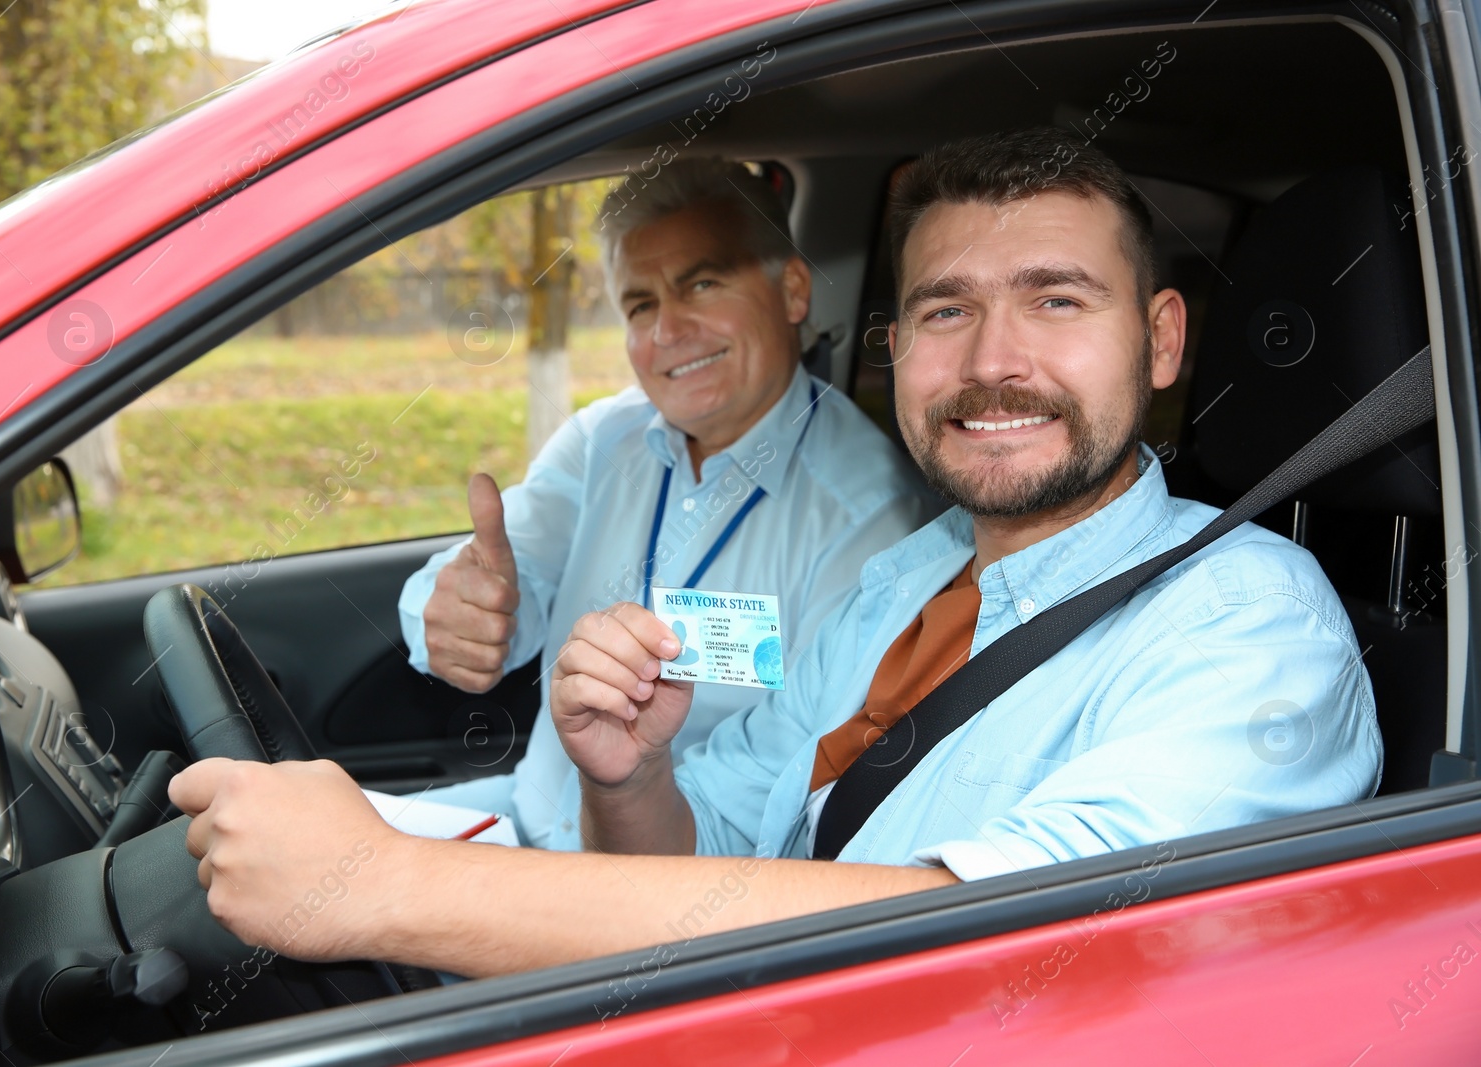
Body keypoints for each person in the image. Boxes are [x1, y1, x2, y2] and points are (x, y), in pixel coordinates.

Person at [170, 128, 1382, 979]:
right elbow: (711, 849)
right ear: (894, 341)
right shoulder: (902, 587)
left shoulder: (1251, 624)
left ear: (1162, 340)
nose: (992, 360)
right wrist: (627, 774)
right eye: (946, 310)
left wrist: (386, 888)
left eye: (1057, 300)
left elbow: (981, 938)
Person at [395, 158, 937, 848]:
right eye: (640, 305)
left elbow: (785, 798)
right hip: (521, 818)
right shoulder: (602, 441)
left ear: (793, 289)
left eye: (702, 283)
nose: (667, 332)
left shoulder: (871, 519)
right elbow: (505, 584)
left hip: (664, 886)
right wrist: (455, 613)